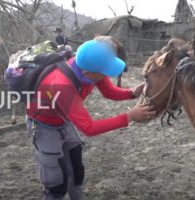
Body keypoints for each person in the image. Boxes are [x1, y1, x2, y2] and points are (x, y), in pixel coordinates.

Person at [26, 39, 156, 200]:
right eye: (106, 72)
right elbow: (89, 128)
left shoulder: (90, 66)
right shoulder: (62, 84)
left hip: (64, 119)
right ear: (88, 74)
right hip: (44, 126)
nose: (107, 75)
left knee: (76, 169)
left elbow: (109, 92)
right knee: (55, 182)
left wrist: (131, 93)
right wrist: (129, 116)